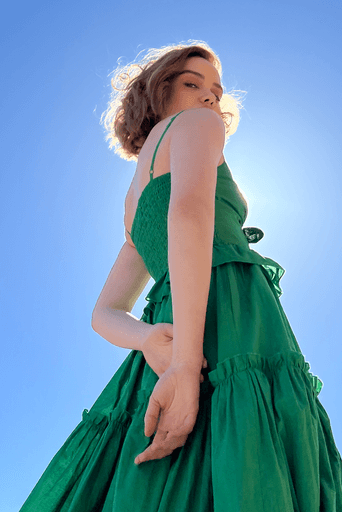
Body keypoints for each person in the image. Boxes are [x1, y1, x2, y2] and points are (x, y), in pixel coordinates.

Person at [19, 40, 342, 512]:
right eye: (192, 84)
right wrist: (186, 366)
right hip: (230, 315)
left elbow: (104, 313)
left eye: (216, 90)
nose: (210, 98)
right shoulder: (198, 124)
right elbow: (189, 214)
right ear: (156, 93)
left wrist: (150, 339)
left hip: (173, 327)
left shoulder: (131, 203)